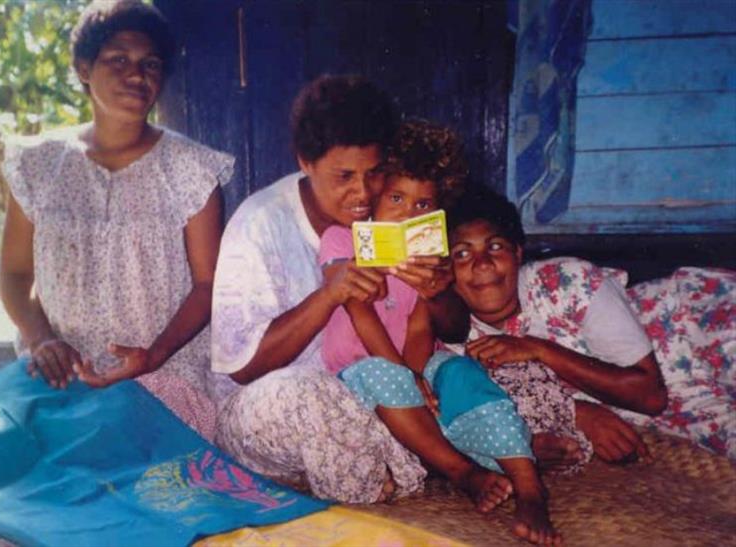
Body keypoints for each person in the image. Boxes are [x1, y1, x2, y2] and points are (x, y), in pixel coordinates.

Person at [210, 75, 514, 509]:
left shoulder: (395, 212)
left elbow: (453, 327)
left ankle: (441, 454)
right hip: (277, 407)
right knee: (308, 394)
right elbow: (242, 368)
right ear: (305, 162)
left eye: (374, 175)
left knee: (455, 370)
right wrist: (328, 295)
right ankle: (416, 465)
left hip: (376, 385)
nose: (362, 193)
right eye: (344, 176)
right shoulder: (259, 223)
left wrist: (437, 290)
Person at [0, 0, 232, 439]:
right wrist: (41, 339)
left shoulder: (191, 169)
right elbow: (13, 274)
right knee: (15, 462)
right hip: (61, 368)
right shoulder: (39, 165)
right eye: (118, 60)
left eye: (150, 64)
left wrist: (154, 355)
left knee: (137, 466)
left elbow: (207, 284)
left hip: (162, 370)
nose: (136, 75)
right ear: (85, 69)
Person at [319, 120, 561, 545]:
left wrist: (421, 376)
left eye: (422, 205)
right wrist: (404, 375)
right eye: (396, 198)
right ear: (374, 196)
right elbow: (361, 312)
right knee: (382, 374)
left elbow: (419, 324)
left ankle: (529, 488)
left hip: (413, 360)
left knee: (462, 373)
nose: (408, 213)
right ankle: (462, 472)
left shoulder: (428, 255)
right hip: (358, 371)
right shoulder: (342, 241)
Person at [447, 190, 735, 460]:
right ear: (444, 268)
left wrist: (539, 350)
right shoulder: (458, 343)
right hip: (687, 408)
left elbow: (650, 395)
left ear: (518, 254)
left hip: (698, 325)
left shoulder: (562, 280)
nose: (482, 264)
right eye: (462, 253)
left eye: (495, 246)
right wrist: (574, 413)